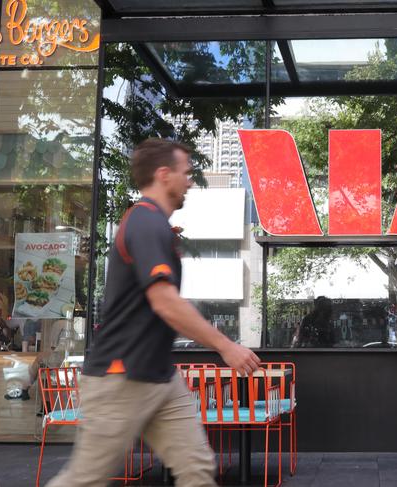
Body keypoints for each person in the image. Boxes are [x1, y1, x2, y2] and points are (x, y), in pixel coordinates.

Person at [47, 138, 260, 487]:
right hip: (120, 375)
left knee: (197, 469)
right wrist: (227, 346)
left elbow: (163, 305)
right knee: (86, 479)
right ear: (164, 175)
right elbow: (165, 302)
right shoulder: (145, 221)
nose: (190, 181)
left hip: (159, 376)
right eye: (186, 173)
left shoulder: (156, 225)